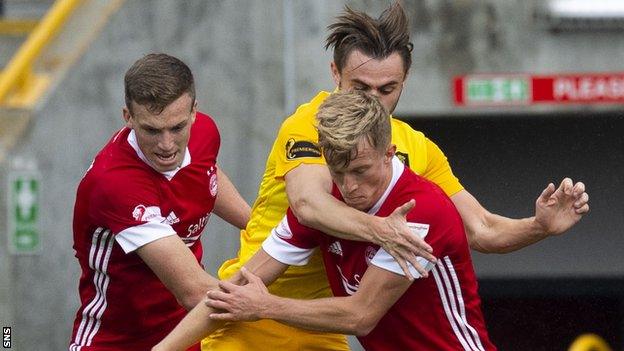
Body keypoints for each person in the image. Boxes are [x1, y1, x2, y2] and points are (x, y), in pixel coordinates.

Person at [204, 2, 589, 350]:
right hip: (255, 313)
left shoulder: (418, 149)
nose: (373, 100)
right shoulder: (311, 124)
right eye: (361, 87)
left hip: (322, 323)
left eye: (387, 89)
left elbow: (482, 229)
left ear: (404, 81)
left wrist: (538, 226)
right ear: (335, 73)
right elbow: (309, 205)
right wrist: (382, 231)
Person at [154, 91, 498, 351]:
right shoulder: (324, 206)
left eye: (360, 171)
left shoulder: (417, 212)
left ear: (389, 153)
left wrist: (265, 306)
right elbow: (235, 291)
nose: (349, 187)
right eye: (338, 172)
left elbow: (360, 316)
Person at [68, 53, 250, 351]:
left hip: (187, 332)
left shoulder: (205, 132)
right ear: (128, 117)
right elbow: (194, 291)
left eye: (177, 128)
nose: (166, 145)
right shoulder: (116, 183)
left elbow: (206, 174)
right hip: (114, 342)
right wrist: (280, 305)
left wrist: (259, 226)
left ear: (194, 112)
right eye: (151, 130)